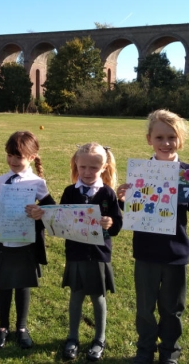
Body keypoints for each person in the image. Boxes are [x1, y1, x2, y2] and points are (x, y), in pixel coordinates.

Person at [117, 110, 189, 364]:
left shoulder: (188, 174)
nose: (166, 143)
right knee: (145, 308)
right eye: (159, 137)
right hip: (147, 253)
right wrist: (123, 200)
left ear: (180, 140)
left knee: (172, 309)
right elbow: (134, 211)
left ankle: (169, 352)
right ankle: (144, 350)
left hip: (175, 254)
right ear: (149, 139)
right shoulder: (140, 172)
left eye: (171, 137)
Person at [33, 143, 122, 361]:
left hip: (99, 255)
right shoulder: (69, 192)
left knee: (97, 298)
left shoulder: (107, 193)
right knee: (76, 296)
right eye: (82, 167)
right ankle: (72, 338)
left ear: (104, 167)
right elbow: (61, 219)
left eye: (93, 168)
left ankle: (99, 339)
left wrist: (110, 222)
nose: (87, 172)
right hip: (75, 254)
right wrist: (43, 214)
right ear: (76, 165)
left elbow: (118, 225)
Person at [0, 131, 55, 350]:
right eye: (9, 155)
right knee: (4, 285)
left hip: (26, 243)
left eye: (18, 156)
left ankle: (22, 328)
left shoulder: (37, 183)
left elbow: (51, 210)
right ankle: (2, 327)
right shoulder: (1, 180)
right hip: (2, 241)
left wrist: (40, 212)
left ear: (32, 155)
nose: (12, 161)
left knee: (23, 285)